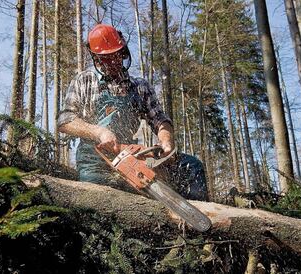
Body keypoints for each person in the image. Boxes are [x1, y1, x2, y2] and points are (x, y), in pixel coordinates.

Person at [58, 24, 208, 201]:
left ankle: (196, 216)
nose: (113, 62)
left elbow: (160, 120)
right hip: (95, 160)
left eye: (116, 55)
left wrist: (166, 142)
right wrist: (99, 132)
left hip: (132, 155)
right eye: (106, 58)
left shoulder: (139, 87)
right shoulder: (84, 81)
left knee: (192, 166)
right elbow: (65, 120)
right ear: (97, 59)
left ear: (123, 51)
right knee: (95, 196)